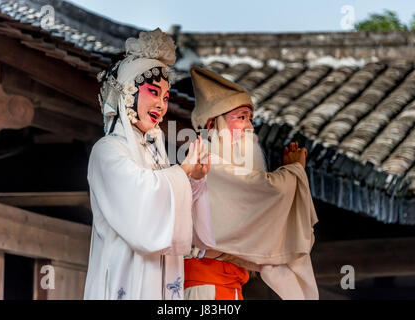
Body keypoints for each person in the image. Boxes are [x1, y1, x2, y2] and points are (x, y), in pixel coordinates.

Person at [84, 30, 215, 300]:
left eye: (166, 98)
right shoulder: (107, 151)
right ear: (127, 93)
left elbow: (167, 209)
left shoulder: (157, 153)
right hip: (124, 273)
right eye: (153, 92)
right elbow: (141, 205)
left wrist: (194, 181)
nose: (161, 105)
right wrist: (181, 173)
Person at [184, 66, 319, 300]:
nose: (250, 127)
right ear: (212, 126)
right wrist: (295, 170)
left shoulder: (224, 167)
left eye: (250, 118)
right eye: (241, 118)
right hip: (205, 286)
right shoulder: (207, 165)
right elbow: (266, 190)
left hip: (229, 285)